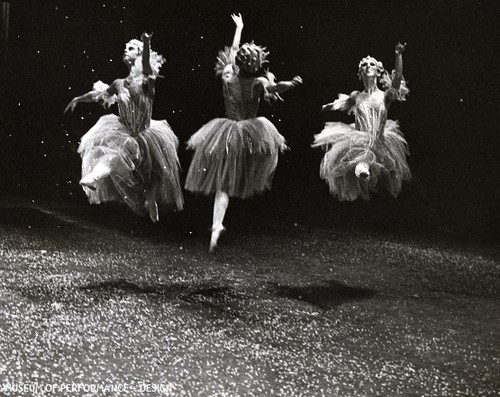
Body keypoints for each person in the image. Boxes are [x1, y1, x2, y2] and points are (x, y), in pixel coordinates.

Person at [184, 13, 302, 252]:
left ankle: (217, 225)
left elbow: (234, 49)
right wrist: (290, 84)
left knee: (223, 184)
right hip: (248, 132)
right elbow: (274, 87)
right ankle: (217, 225)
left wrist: (239, 27)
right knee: (238, 175)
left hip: (227, 130)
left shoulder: (228, 73)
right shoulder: (258, 82)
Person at [65, 33, 183, 222]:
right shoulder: (119, 83)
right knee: (113, 154)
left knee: (155, 172)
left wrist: (145, 43)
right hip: (125, 130)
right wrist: (78, 99)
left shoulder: (146, 79)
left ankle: (151, 199)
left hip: (146, 132)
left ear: (138, 55)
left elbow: (146, 66)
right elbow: (100, 94)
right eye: (125, 48)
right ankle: (94, 177)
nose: (125, 50)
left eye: (130, 48)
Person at [312, 43, 411, 201]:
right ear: (360, 72)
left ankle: (365, 170)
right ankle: (361, 167)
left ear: (378, 71)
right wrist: (329, 106)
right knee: (360, 162)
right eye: (364, 65)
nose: (368, 66)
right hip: (359, 140)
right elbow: (344, 102)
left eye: (371, 64)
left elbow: (397, 81)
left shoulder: (385, 96)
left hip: (380, 140)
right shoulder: (357, 95)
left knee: (378, 167)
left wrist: (398, 55)